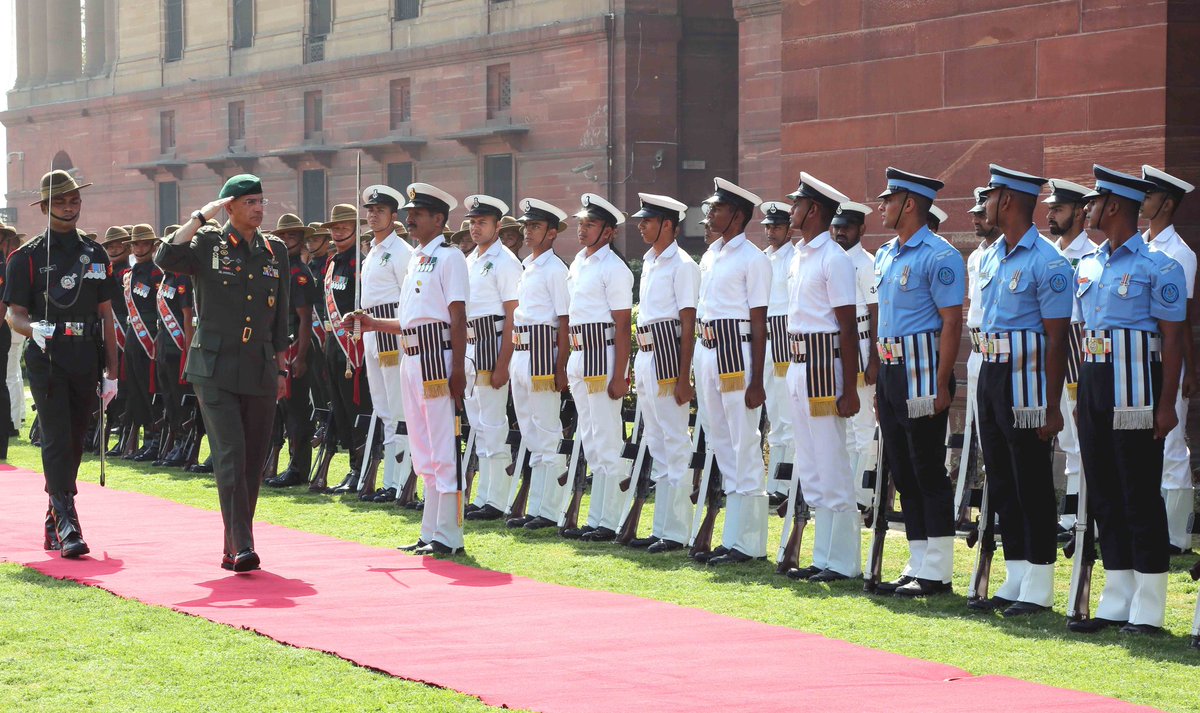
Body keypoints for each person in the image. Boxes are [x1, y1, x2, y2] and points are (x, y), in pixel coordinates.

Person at [1069, 166, 1186, 635]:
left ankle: (1150, 607)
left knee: (1138, 492)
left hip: (1138, 384)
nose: (1088, 209)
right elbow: (1082, 334)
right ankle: (1117, 598)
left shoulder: (1160, 266)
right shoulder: (1089, 264)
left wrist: (1166, 404)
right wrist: (1079, 397)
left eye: (1094, 201)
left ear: (1113, 206)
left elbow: (1173, 340)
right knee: (1104, 492)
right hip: (1096, 382)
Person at [155, 174, 290, 573]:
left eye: (261, 201)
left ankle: (234, 545)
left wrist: (281, 366)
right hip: (213, 366)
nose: (258, 209)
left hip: (260, 366)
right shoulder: (207, 242)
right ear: (229, 207)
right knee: (230, 452)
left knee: (252, 459)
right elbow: (166, 257)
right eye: (249, 202)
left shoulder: (274, 249)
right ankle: (245, 543)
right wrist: (201, 216)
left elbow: (281, 312)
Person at [970, 165, 1072, 615]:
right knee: (1002, 477)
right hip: (991, 373)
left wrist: (1052, 405)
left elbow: (1056, 339)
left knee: (1030, 479)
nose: (984, 205)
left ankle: (1041, 581)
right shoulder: (992, 256)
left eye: (990, 197)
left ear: (1007, 201)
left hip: (1026, 379)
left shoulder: (1048, 262)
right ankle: (1016, 574)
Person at [4, 169, 120, 558]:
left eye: (74, 200)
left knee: (74, 441)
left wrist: (113, 374)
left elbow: (107, 316)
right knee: (55, 436)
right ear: (45, 207)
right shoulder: (28, 257)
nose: (69, 208)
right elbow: (13, 313)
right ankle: (69, 523)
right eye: (60, 202)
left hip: (86, 354)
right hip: (48, 355)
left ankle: (54, 517)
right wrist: (31, 326)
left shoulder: (96, 252)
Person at [355, 182, 468, 555]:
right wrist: (372, 322)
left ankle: (449, 535)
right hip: (411, 355)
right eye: (409, 213)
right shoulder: (418, 258)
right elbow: (408, 320)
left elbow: (457, 316)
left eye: (417, 214)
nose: (410, 219)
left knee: (441, 446)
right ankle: (429, 531)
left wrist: (457, 370)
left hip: (437, 357)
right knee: (422, 447)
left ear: (439, 219)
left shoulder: (449, 258)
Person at [872, 167, 965, 597]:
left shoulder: (940, 256)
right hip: (891, 371)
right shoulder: (886, 254)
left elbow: (951, 323)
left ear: (910, 203)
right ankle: (917, 560)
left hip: (924, 370)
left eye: (889, 199)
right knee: (904, 471)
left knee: (928, 468)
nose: (883, 206)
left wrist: (944, 381)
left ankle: (939, 569)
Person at [781, 173, 862, 582]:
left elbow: (847, 328)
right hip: (798, 363)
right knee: (810, 463)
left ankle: (843, 561)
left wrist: (849, 387)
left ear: (813, 209)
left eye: (797, 203)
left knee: (831, 460)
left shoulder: (835, 258)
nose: (791, 208)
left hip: (823, 365)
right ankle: (823, 556)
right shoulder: (799, 255)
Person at [692, 178, 771, 565]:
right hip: (708, 348)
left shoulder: (753, 258)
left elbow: (760, 322)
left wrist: (757, 379)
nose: (708, 216)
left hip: (736, 351)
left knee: (743, 440)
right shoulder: (710, 255)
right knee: (720, 440)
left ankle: (749, 543)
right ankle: (733, 535)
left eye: (716, 210)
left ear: (737, 215)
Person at [563, 193, 634, 542]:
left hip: (602, 354)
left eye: (590, 224)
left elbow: (622, 326)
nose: (582, 228)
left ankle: (613, 520)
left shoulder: (614, 268)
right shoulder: (578, 263)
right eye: (581, 223)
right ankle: (598, 517)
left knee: (606, 438)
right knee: (589, 438)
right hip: (580, 353)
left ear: (609, 232)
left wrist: (620, 375)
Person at [630, 193, 699, 552]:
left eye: (648, 220)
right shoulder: (652, 261)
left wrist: (684, 377)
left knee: (674, 441)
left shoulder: (682, 264)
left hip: (669, 356)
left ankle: (677, 531)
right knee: (655, 441)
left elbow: (688, 322)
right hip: (646, 354)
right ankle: (662, 528)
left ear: (668, 225)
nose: (640, 225)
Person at [1141, 165, 1197, 555]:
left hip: (1171, 357)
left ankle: (1177, 535)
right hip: (1141, 360)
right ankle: (1152, 524)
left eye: (1151, 194)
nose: (1143, 199)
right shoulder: (1140, 246)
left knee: (1173, 444)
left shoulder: (1180, 253)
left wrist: (1190, 371)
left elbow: (1184, 320)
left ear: (1168, 203)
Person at [505, 199, 571, 530]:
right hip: (522, 349)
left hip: (543, 349)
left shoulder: (556, 270)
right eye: (527, 226)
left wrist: (561, 367)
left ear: (552, 233)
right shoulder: (528, 266)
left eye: (536, 227)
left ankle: (550, 510)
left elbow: (564, 319)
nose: (528, 231)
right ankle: (537, 506)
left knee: (547, 429)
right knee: (529, 430)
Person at [460, 194, 522, 521]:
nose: (475, 228)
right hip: (471, 345)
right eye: (472, 222)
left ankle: (497, 500)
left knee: (494, 424)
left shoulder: (506, 261)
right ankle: (484, 496)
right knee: (479, 426)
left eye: (482, 222)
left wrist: (503, 363)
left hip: (492, 342)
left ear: (498, 225)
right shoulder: (469, 260)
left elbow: (514, 314)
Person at [1043, 179, 1096, 536]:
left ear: (1079, 212)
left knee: (1081, 438)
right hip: (1052, 351)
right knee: (1064, 438)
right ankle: (1069, 514)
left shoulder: (1091, 254)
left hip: (1080, 351)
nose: (1051, 215)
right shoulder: (1048, 254)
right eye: (1050, 208)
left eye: (1058, 209)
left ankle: (1083, 515)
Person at [355, 186, 414, 503]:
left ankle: (400, 481)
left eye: (380, 210)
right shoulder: (372, 252)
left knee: (398, 407)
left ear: (394, 216)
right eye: (370, 210)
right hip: (370, 330)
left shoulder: (401, 251)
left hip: (392, 329)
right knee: (383, 408)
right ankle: (390, 480)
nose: (373, 214)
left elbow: (409, 297)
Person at [318, 204, 374, 494]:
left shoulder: (359, 264)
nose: (337, 233)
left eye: (342, 228)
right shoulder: (333, 263)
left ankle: (362, 467)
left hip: (353, 347)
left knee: (356, 408)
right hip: (333, 345)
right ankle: (353, 465)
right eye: (334, 229)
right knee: (339, 408)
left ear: (355, 229)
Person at [264, 214, 320, 487]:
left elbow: (306, 319)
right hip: (279, 347)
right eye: (283, 236)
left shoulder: (299, 273)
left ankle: (298, 468)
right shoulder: (278, 269)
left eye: (292, 236)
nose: (287, 241)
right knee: (280, 412)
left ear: (301, 240)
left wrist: (300, 357)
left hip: (294, 349)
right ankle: (283, 464)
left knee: (297, 414)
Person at [830, 202, 880, 508]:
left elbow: (876, 312)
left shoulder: (866, 263)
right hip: (837, 348)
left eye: (847, 227)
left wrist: (874, 359)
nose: (840, 232)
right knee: (844, 427)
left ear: (861, 229)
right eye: (837, 226)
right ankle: (847, 489)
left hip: (861, 346)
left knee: (863, 426)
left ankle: (865, 493)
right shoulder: (832, 260)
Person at [759, 201, 796, 505]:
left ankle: (787, 484)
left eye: (777, 227)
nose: (771, 232)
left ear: (789, 228)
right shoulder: (762, 259)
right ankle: (774, 483)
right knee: (773, 413)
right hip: (765, 337)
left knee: (787, 415)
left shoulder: (794, 258)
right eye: (768, 227)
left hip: (784, 336)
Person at [121, 224, 165, 461]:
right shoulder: (129, 275)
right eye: (136, 244)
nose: (139, 248)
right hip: (132, 336)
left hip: (149, 337)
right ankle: (145, 439)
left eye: (144, 243)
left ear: (153, 246)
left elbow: (161, 308)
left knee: (150, 389)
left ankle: (156, 439)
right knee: (135, 389)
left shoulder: (157, 274)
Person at [153, 224, 195, 468]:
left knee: (180, 399)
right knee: (168, 397)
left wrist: (187, 351)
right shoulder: (165, 277)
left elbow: (187, 316)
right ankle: (175, 439)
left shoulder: (182, 278)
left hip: (178, 347)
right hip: (163, 346)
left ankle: (184, 443)